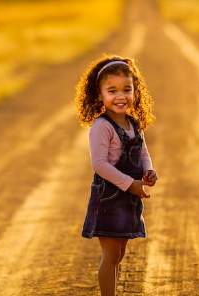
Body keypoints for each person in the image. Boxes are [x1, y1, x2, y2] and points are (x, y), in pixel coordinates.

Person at [74, 54, 158, 296]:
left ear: (135, 92)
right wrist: (129, 183)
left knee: (119, 254)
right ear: (99, 95)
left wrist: (148, 170)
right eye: (112, 90)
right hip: (109, 197)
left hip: (128, 196)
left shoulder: (133, 123)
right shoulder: (101, 126)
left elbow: (143, 152)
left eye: (127, 89)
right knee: (110, 256)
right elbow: (99, 164)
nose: (120, 96)